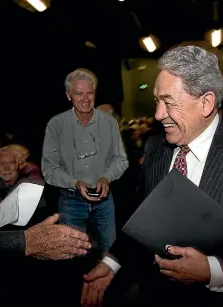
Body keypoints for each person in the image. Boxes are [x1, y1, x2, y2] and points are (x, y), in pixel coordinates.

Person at [81, 46, 223, 306]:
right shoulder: (155, 147)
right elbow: (144, 219)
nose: (158, 115)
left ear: (206, 102)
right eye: (157, 102)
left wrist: (214, 270)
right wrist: (112, 262)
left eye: (169, 102)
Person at [42, 68, 128, 257]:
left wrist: (106, 178)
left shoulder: (109, 122)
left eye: (90, 93)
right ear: (68, 95)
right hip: (70, 201)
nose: (85, 99)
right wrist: (74, 183)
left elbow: (120, 159)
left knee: (110, 254)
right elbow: (49, 170)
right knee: (71, 256)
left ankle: (107, 287)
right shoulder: (56, 125)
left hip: (105, 199)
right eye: (79, 93)